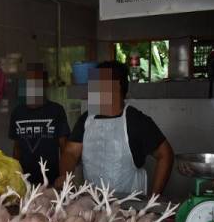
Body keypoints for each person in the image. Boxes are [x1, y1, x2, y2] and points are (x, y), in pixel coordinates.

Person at [56, 61, 173, 194]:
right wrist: (65, 176)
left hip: (130, 208)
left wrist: (154, 197)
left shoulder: (136, 121)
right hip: (93, 205)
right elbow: (71, 152)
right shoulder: (86, 119)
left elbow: (165, 154)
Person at [9, 63, 70, 185]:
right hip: (25, 180)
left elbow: (64, 148)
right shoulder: (17, 112)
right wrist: (14, 177)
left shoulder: (56, 110)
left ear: (45, 84)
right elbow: (16, 149)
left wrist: (64, 177)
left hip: (51, 180)